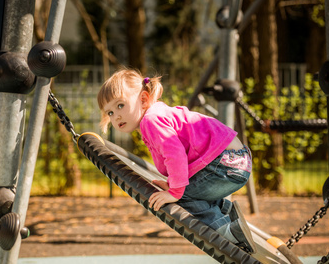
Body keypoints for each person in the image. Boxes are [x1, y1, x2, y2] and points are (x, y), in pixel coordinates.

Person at [97, 68, 256, 253]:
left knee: (181, 197)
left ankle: (229, 232)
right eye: (109, 112)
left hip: (226, 164)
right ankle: (227, 211)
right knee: (182, 191)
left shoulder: (151, 120)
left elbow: (175, 155)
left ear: (143, 99)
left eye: (120, 105)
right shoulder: (157, 114)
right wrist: (174, 184)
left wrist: (175, 191)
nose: (115, 116)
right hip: (234, 161)